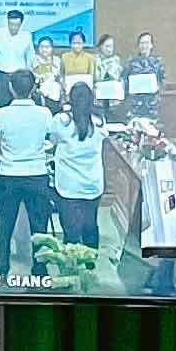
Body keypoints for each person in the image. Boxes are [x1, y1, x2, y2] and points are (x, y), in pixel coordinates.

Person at [0, 70, 56, 276]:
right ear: (33, 88)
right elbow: (50, 138)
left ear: (11, 88)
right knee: (39, 227)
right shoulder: (45, 113)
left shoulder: (1, 114)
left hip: (8, 175)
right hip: (37, 174)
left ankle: (1, 269)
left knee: (5, 226)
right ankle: (40, 270)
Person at [52, 82, 104, 251]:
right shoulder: (99, 121)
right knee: (91, 225)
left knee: (71, 231)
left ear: (70, 99)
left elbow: (53, 141)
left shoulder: (61, 121)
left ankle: (71, 262)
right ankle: (90, 261)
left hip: (68, 186)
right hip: (93, 185)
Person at [0, 8, 37, 106]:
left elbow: (30, 56)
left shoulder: (27, 36)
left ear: (21, 24)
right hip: (1, 75)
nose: (13, 28)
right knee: (1, 103)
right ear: (7, 21)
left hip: (19, 76)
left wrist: (32, 73)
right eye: (10, 24)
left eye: (16, 25)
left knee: (20, 103)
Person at [125, 31, 166, 120]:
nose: (144, 46)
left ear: (151, 45)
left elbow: (163, 81)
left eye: (146, 43)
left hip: (152, 105)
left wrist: (157, 89)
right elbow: (125, 82)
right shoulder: (131, 62)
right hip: (135, 105)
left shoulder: (157, 62)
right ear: (138, 46)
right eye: (142, 43)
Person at [32, 37, 64, 105]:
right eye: (42, 47)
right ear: (38, 48)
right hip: (38, 93)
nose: (44, 49)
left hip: (53, 94)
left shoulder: (57, 60)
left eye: (47, 47)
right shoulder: (33, 60)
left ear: (52, 48)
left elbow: (60, 78)